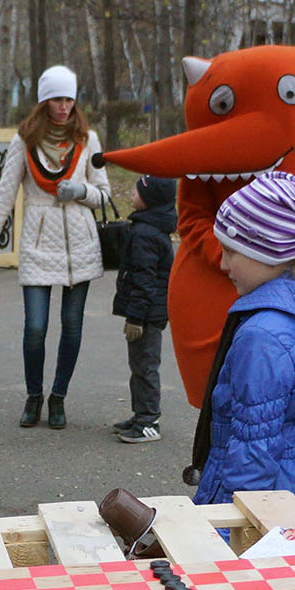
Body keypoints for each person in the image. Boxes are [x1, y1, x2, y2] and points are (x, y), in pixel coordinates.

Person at [186, 171, 295, 524]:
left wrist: (232, 527)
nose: (222, 265)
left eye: (231, 252)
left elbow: (253, 451)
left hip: (263, 508)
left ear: (268, 251)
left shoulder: (264, 336)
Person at [0, 65, 111, 430]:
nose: (63, 106)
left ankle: (58, 398)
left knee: (72, 327)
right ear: (43, 101)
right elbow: (2, 199)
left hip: (80, 245)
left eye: (69, 99)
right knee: (35, 328)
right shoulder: (24, 141)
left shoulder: (87, 139)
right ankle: (33, 396)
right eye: (57, 99)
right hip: (39, 243)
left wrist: (82, 191)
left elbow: (104, 193)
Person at [111, 175, 177, 443]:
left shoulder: (145, 234)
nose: (132, 195)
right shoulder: (148, 228)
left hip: (146, 315)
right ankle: (140, 414)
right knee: (138, 365)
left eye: (137, 191)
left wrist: (135, 317)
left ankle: (149, 421)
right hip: (147, 311)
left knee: (146, 366)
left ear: (150, 200)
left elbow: (144, 279)